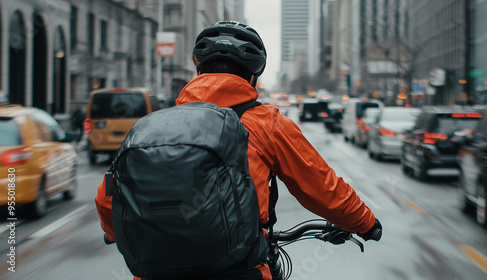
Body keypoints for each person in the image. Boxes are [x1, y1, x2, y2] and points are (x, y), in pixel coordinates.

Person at [95, 21, 382, 280]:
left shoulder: (157, 125)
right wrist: (365, 223)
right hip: (240, 270)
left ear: (199, 71)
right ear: (253, 77)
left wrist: (113, 232)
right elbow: (321, 186)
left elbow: (108, 195)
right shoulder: (267, 123)